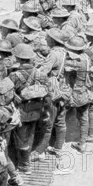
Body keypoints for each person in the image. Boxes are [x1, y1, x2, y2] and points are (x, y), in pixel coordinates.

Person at [9, 43, 47, 174]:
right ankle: (27, 160)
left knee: (20, 138)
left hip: (22, 111)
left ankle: (24, 165)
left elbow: (6, 93)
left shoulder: (14, 76)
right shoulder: (39, 73)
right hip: (36, 110)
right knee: (30, 135)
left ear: (18, 58)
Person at [33, 28, 69, 159]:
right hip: (62, 87)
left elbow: (43, 72)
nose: (46, 40)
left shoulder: (53, 54)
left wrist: (35, 69)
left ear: (52, 40)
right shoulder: (65, 52)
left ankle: (39, 151)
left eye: (48, 38)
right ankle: (59, 147)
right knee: (60, 120)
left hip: (52, 88)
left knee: (48, 122)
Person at [65, 36, 93, 153]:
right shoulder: (86, 57)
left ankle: (79, 143)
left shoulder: (77, 61)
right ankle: (83, 141)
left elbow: (66, 67)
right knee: (84, 117)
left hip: (77, 92)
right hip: (86, 90)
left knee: (64, 116)